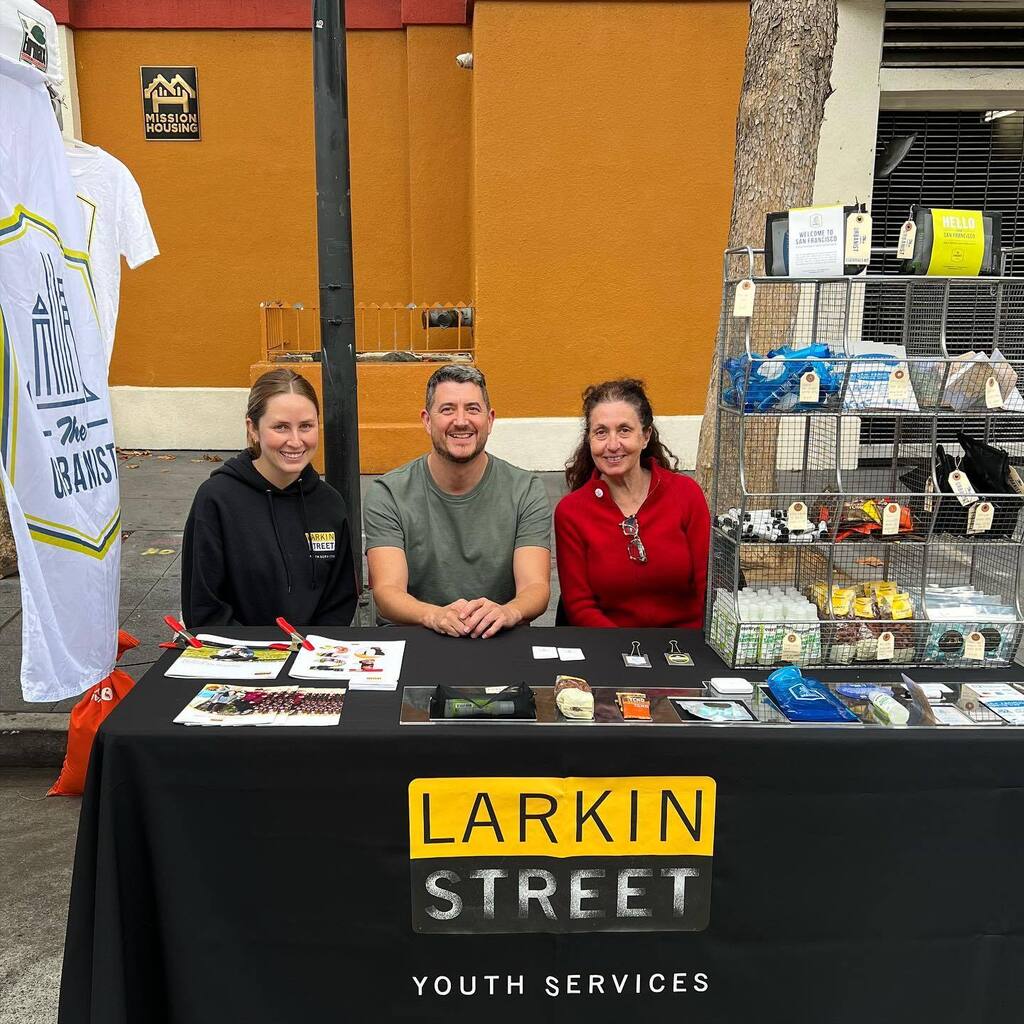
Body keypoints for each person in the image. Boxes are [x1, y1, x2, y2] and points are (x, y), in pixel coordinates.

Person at [364, 364, 551, 638]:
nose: (461, 421)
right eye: (448, 409)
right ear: (427, 420)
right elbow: (387, 592)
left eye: (473, 409)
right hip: (417, 634)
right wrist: (434, 615)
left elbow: (535, 587)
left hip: (498, 635)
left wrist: (508, 612)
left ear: (490, 420)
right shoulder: (388, 493)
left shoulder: (525, 490)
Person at [181, 369, 357, 627]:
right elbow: (205, 606)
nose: (296, 441)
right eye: (281, 427)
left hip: (311, 658)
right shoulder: (216, 499)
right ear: (252, 428)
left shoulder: (329, 503)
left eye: (306, 426)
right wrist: (259, 657)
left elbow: (339, 600)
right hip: (236, 658)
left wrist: (312, 653)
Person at [554, 378, 710, 628]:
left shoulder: (686, 494)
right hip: (611, 650)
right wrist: (628, 654)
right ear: (589, 439)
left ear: (645, 436)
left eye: (624, 430)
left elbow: (707, 587)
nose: (612, 445)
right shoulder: (571, 512)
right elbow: (579, 605)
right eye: (601, 432)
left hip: (686, 647)